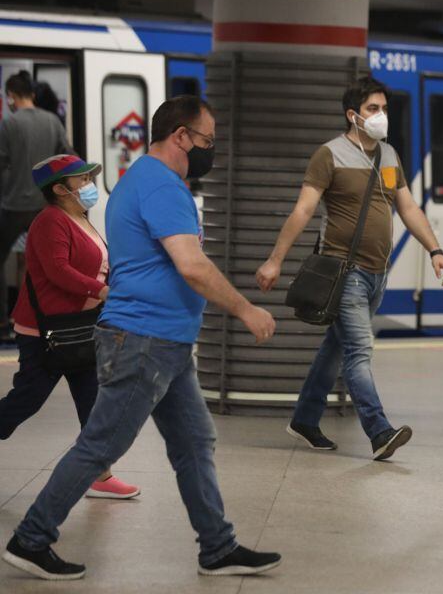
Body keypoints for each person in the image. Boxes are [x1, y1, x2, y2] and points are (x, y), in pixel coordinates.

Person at [3, 95, 281, 581]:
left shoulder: (139, 180)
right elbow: (192, 266)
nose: (210, 150)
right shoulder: (162, 186)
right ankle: (31, 539)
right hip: (143, 340)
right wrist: (245, 309)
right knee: (99, 446)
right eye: (207, 140)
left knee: (195, 442)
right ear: (181, 136)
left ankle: (217, 546)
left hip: (164, 342)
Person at [256, 76, 443, 460]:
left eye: (384, 108)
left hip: (378, 273)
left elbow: (408, 207)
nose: (381, 116)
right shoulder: (329, 155)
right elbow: (303, 210)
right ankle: (379, 433)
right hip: (344, 272)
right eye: (372, 109)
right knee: (359, 351)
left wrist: (435, 249)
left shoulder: (389, 155)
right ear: (353, 115)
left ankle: (304, 419)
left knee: (335, 348)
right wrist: (275, 259)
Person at [0, 155, 138, 499]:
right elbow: (57, 270)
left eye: (90, 177)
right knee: (27, 399)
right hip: (48, 332)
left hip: (81, 328)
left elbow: (97, 265)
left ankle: (100, 475)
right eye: (82, 180)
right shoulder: (50, 221)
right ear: (60, 189)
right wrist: (102, 290)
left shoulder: (80, 217)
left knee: (93, 403)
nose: (89, 184)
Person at [0, 71, 71, 341]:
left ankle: (3, 323)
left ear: (11, 96)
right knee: (44, 262)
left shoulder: (8, 124)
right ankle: (43, 317)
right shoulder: (52, 121)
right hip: (44, 206)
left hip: (13, 205)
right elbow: (68, 155)